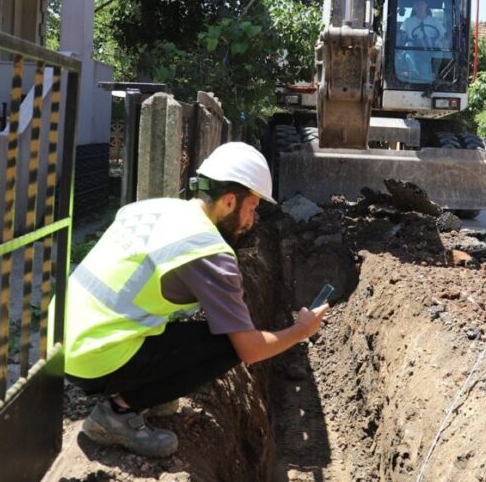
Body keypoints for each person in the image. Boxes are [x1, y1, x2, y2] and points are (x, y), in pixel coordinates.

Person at [55, 142, 328, 458]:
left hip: (62, 340)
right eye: (251, 208)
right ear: (228, 201)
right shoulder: (208, 252)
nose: (252, 222)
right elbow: (250, 349)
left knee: (196, 335)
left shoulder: (152, 208)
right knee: (226, 348)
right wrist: (301, 330)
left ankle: (147, 394)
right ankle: (117, 413)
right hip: (92, 358)